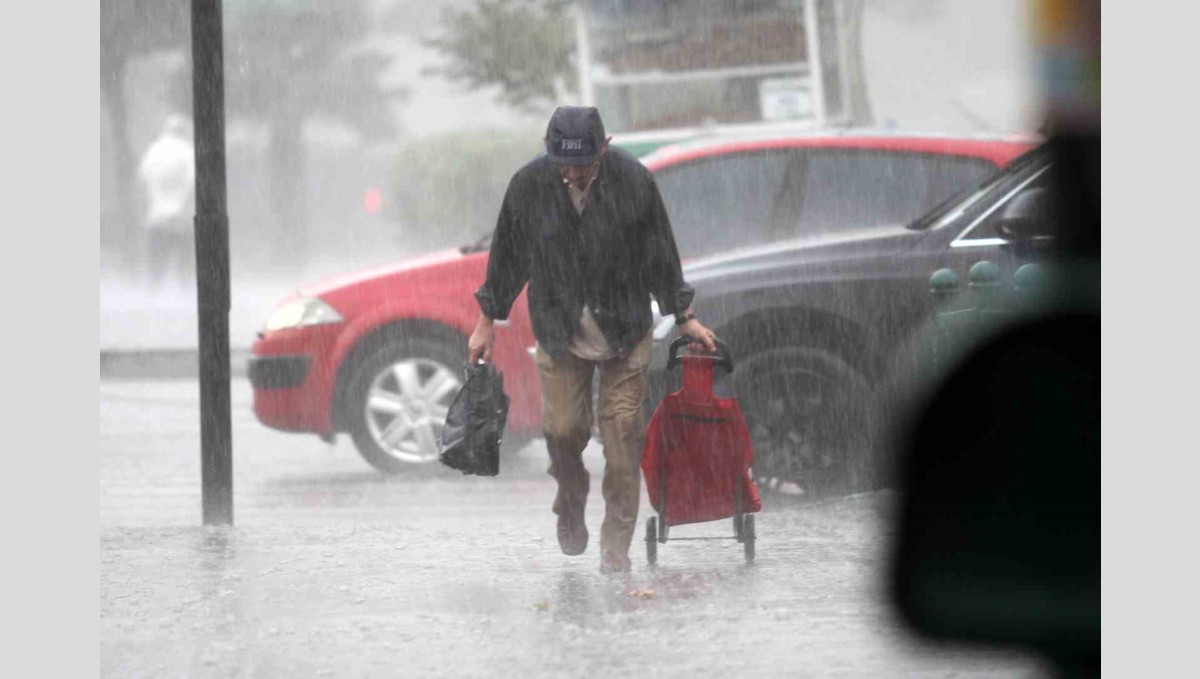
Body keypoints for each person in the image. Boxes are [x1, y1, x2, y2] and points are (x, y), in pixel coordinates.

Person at [469, 106, 717, 574]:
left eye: (584, 165)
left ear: (604, 148)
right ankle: (571, 498)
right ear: (549, 152)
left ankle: (615, 547)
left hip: (624, 328)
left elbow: (661, 255)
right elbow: (506, 259)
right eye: (565, 165)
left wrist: (684, 316)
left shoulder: (634, 182)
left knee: (622, 435)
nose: (574, 174)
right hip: (559, 331)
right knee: (563, 431)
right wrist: (486, 321)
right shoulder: (529, 186)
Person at [137, 114, 196, 291]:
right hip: (180, 215)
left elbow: (142, 177)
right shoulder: (187, 151)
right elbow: (192, 181)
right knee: (184, 260)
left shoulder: (153, 150)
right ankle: (186, 291)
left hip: (156, 215)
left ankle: (153, 291)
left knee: (157, 260)